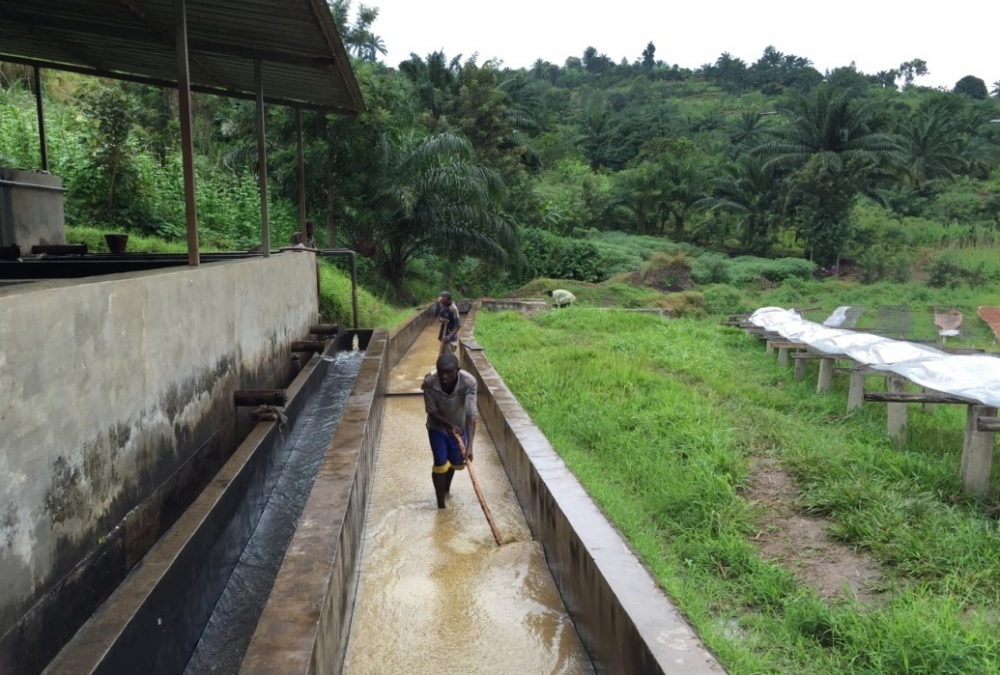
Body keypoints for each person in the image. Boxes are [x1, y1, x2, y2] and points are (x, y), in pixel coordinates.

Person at [421, 352, 477, 508]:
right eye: (441, 372)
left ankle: (445, 490)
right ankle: (441, 506)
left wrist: (470, 446)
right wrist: (449, 425)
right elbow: (431, 411)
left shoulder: (468, 383)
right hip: (437, 426)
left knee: (455, 462)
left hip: (459, 427)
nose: (444, 376)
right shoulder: (430, 382)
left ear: (457, 370)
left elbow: (471, 414)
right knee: (440, 462)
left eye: (449, 372)